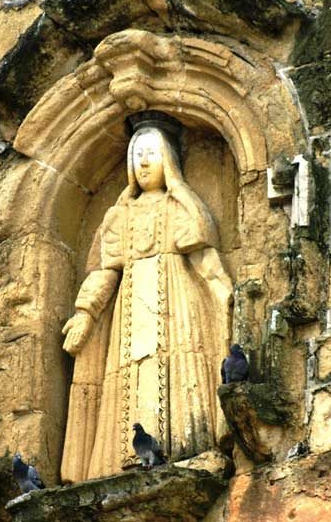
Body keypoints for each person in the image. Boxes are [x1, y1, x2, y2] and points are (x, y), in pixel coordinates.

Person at [61, 111, 233, 482]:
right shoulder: (118, 216)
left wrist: (222, 290)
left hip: (177, 302)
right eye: (137, 154)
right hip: (129, 311)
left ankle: (185, 448)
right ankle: (120, 459)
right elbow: (105, 271)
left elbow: (203, 255)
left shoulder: (179, 206)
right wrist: (85, 313)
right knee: (128, 378)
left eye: (151, 153)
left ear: (168, 159)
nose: (143, 162)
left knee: (178, 365)